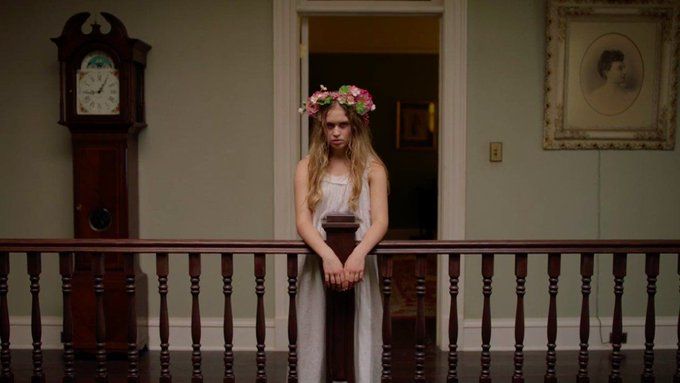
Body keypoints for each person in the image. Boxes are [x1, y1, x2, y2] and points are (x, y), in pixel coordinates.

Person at [294, 85, 389, 382]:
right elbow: (303, 220)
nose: (336, 131)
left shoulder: (373, 169)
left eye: (343, 125)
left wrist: (358, 255)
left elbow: (380, 221)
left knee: (360, 331)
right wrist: (328, 256)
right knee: (315, 334)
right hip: (319, 264)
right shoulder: (306, 167)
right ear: (322, 128)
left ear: (355, 127)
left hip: (359, 267)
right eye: (330, 125)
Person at [587, 49, 636, 115]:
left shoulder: (630, 97)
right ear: (606, 72)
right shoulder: (594, 97)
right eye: (620, 68)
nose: (625, 72)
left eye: (624, 68)